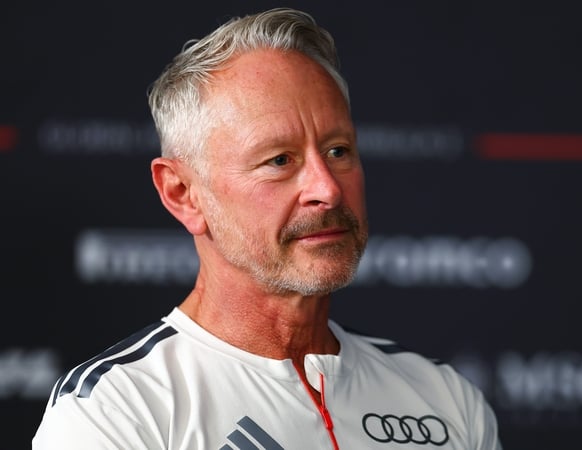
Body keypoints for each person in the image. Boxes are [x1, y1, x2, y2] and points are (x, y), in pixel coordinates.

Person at [32, 7, 502, 449]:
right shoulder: (116, 412)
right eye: (279, 160)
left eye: (338, 150)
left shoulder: (446, 401)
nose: (328, 190)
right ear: (182, 193)